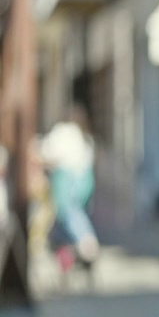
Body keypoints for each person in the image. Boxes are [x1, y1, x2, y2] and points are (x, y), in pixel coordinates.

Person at [40, 105, 99, 270]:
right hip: (85, 178)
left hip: (66, 177)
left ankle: (85, 242)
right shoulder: (84, 135)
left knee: (68, 214)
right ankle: (72, 251)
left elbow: (48, 154)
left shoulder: (62, 131)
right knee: (76, 213)